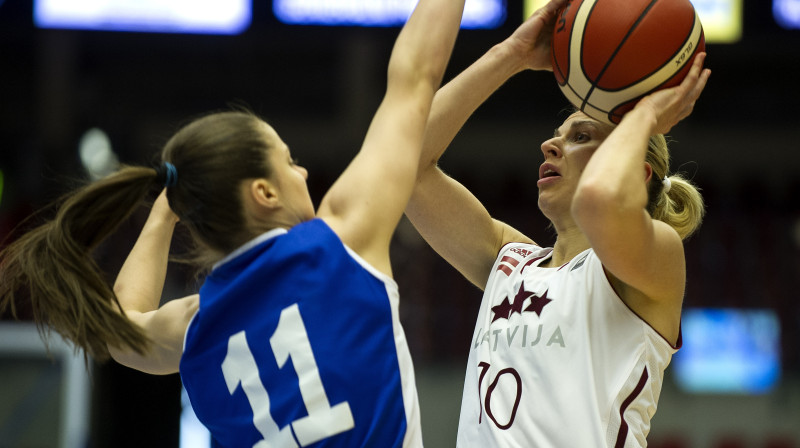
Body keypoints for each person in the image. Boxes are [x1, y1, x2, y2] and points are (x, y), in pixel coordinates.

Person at [0, 0, 465, 445]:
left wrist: (165, 209)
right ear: (263, 193)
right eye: (289, 160)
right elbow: (415, 75)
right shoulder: (340, 244)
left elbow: (125, 328)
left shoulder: (195, 326)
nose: (302, 172)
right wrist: (507, 53)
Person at [404, 0, 712, 446]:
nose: (550, 144)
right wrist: (508, 56)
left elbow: (599, 204)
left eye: (581, 136)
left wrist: (644, 116)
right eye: (560, 134)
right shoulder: (509, 261)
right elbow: (408, 165)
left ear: (635, 171)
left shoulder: (658, 258)